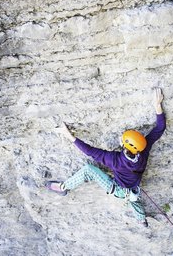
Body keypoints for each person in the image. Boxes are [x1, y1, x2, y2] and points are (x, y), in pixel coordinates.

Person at [47, 87, 166, 227]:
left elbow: (90, 151)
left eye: (122, 139)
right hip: (131, 186)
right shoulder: (143, 150)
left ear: (124, 145)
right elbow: (159, 128)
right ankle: (141, 219)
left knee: (88, 170)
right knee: (133, 198)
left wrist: (69, 135)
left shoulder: (116, 161)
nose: (120, 138)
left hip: (117, 188)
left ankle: (63, 187)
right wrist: (157, 105)